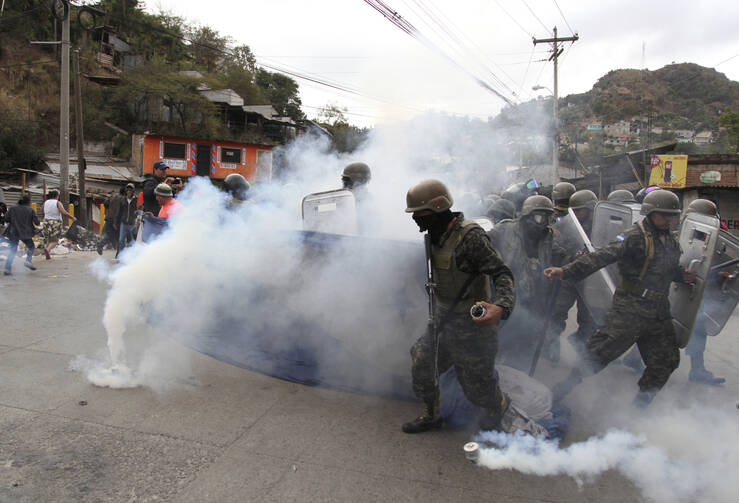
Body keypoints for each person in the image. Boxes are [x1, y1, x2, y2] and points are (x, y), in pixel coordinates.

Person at [543, 190, 696, 408]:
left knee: (666, 361)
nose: (669, 220)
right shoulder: (634, 236)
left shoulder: (669, 239)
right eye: (664, 215)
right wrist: (565, 271)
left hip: (658, 311)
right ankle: (561, 390)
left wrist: (682, 275)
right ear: (650, 213)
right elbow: (601, 256)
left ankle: (640, 405)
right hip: (630, 308)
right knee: (598, 355)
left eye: (672, 216)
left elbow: (665, 269)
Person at [402, 179, 515, 433]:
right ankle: (432, 414)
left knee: (477, 387)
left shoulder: (470, 238)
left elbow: (502, 273)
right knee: (422, 361)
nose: (416, 219)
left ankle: (499, 404)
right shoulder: (435, 235)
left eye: (421, 214)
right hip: (442, 318)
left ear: (439, 209)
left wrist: (501, 307)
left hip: (472, 324)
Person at [489, 195, 564, 370]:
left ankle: (516, 371)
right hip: (509, 293)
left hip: (534, 295)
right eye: (539, 217)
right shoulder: (505, 229)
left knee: (526, 338)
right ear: (527, 215)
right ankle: (494, 370)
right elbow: (483, 243)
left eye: (547, 218)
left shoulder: (547, 236)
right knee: (501, 336)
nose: (543, 223)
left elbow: (554, 252)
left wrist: (568, 256)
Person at [545, 190, 599, 361]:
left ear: (590, 209)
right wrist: (571, 256)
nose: (575, 214)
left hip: (590, 279)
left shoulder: (600, 227)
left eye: (580, 210)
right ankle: (552, 345)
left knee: (589, 319)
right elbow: (554, 247)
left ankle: (581, 346)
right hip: (568, 276)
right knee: (557, 313)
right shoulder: (563, 226)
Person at [3, 195, 39, 275]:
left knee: (13, 249)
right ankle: (28, 261)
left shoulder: (12, 208)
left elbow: (6, 219)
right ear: (28, 202)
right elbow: (37, 222)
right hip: (25, 232)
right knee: (31, 246)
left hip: (14, 232)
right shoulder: (30, 209)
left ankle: (7, 268)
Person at [42, 190, 76, 259]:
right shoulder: (57, 202)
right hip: (55, 222)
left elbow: (42, 210)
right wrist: (72, 217)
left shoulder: (45, 202)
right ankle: (47, 249)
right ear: (57, 196)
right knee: (55, 240)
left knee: (50, 239)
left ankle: (47, 251)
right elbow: (63, 212)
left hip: (46, 221)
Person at [97, 188, 123, 255]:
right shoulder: (122, 199)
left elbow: (105, 204)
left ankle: (118, 253)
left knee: (112, 236)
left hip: (108, 218)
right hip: (115, 220)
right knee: (117, 237)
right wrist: (115, 222)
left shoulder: (113, 197)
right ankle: (119, 253)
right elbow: (118, 211)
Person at [116, 184, 138, 258]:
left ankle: (132, 257)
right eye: (128, 190)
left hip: (133, 224)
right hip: (124, 223)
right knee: (121, 240)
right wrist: (115, 222)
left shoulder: (136, 200)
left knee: (132, 241)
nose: (129, 191)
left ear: (133, 191)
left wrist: (136, 218)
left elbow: (139, 211)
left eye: (130, 190)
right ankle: (120, 256)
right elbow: (119, 211)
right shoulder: (123, 200)